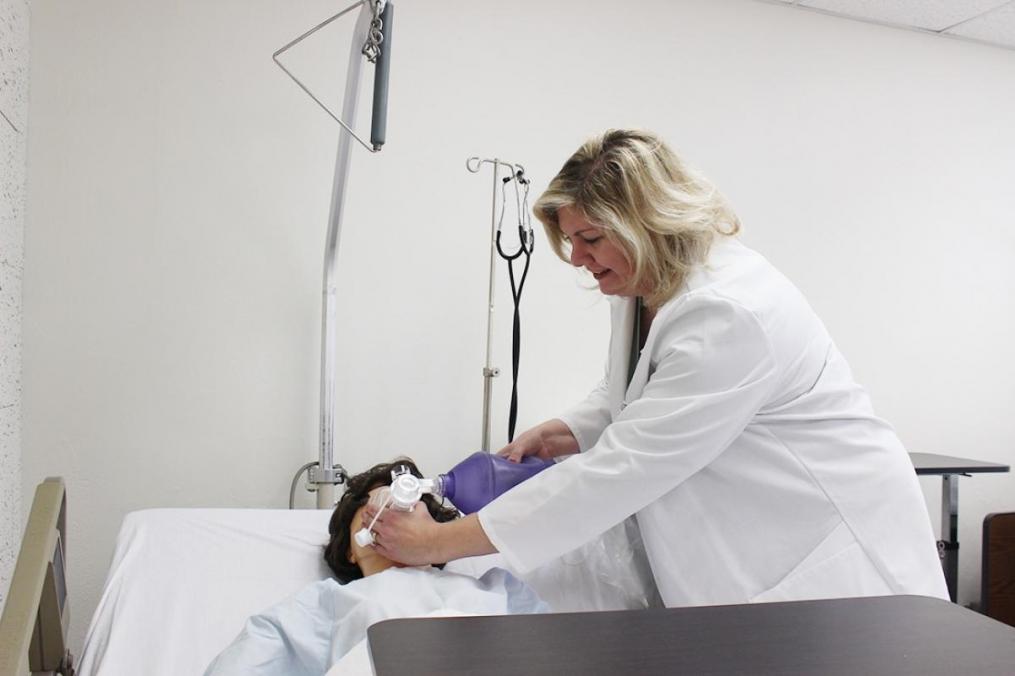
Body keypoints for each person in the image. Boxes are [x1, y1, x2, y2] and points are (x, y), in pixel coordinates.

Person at [364, 129, 948, 607]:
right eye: (570, 240)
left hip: (826, 545)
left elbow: (620, 471)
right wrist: (573, 426)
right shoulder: (646, 284)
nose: (577, 260)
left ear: (647, 225)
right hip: (750, 534)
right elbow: (642, 390)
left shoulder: (731, 312)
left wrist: (437, 541)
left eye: (590, 238)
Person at [204, 459, 545, 676]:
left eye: (406, 505)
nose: (390, 513)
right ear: (352, 550)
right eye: (374, 508)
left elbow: (562, 651)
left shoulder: (498, 587)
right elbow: (253, 658)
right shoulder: (329, 602)